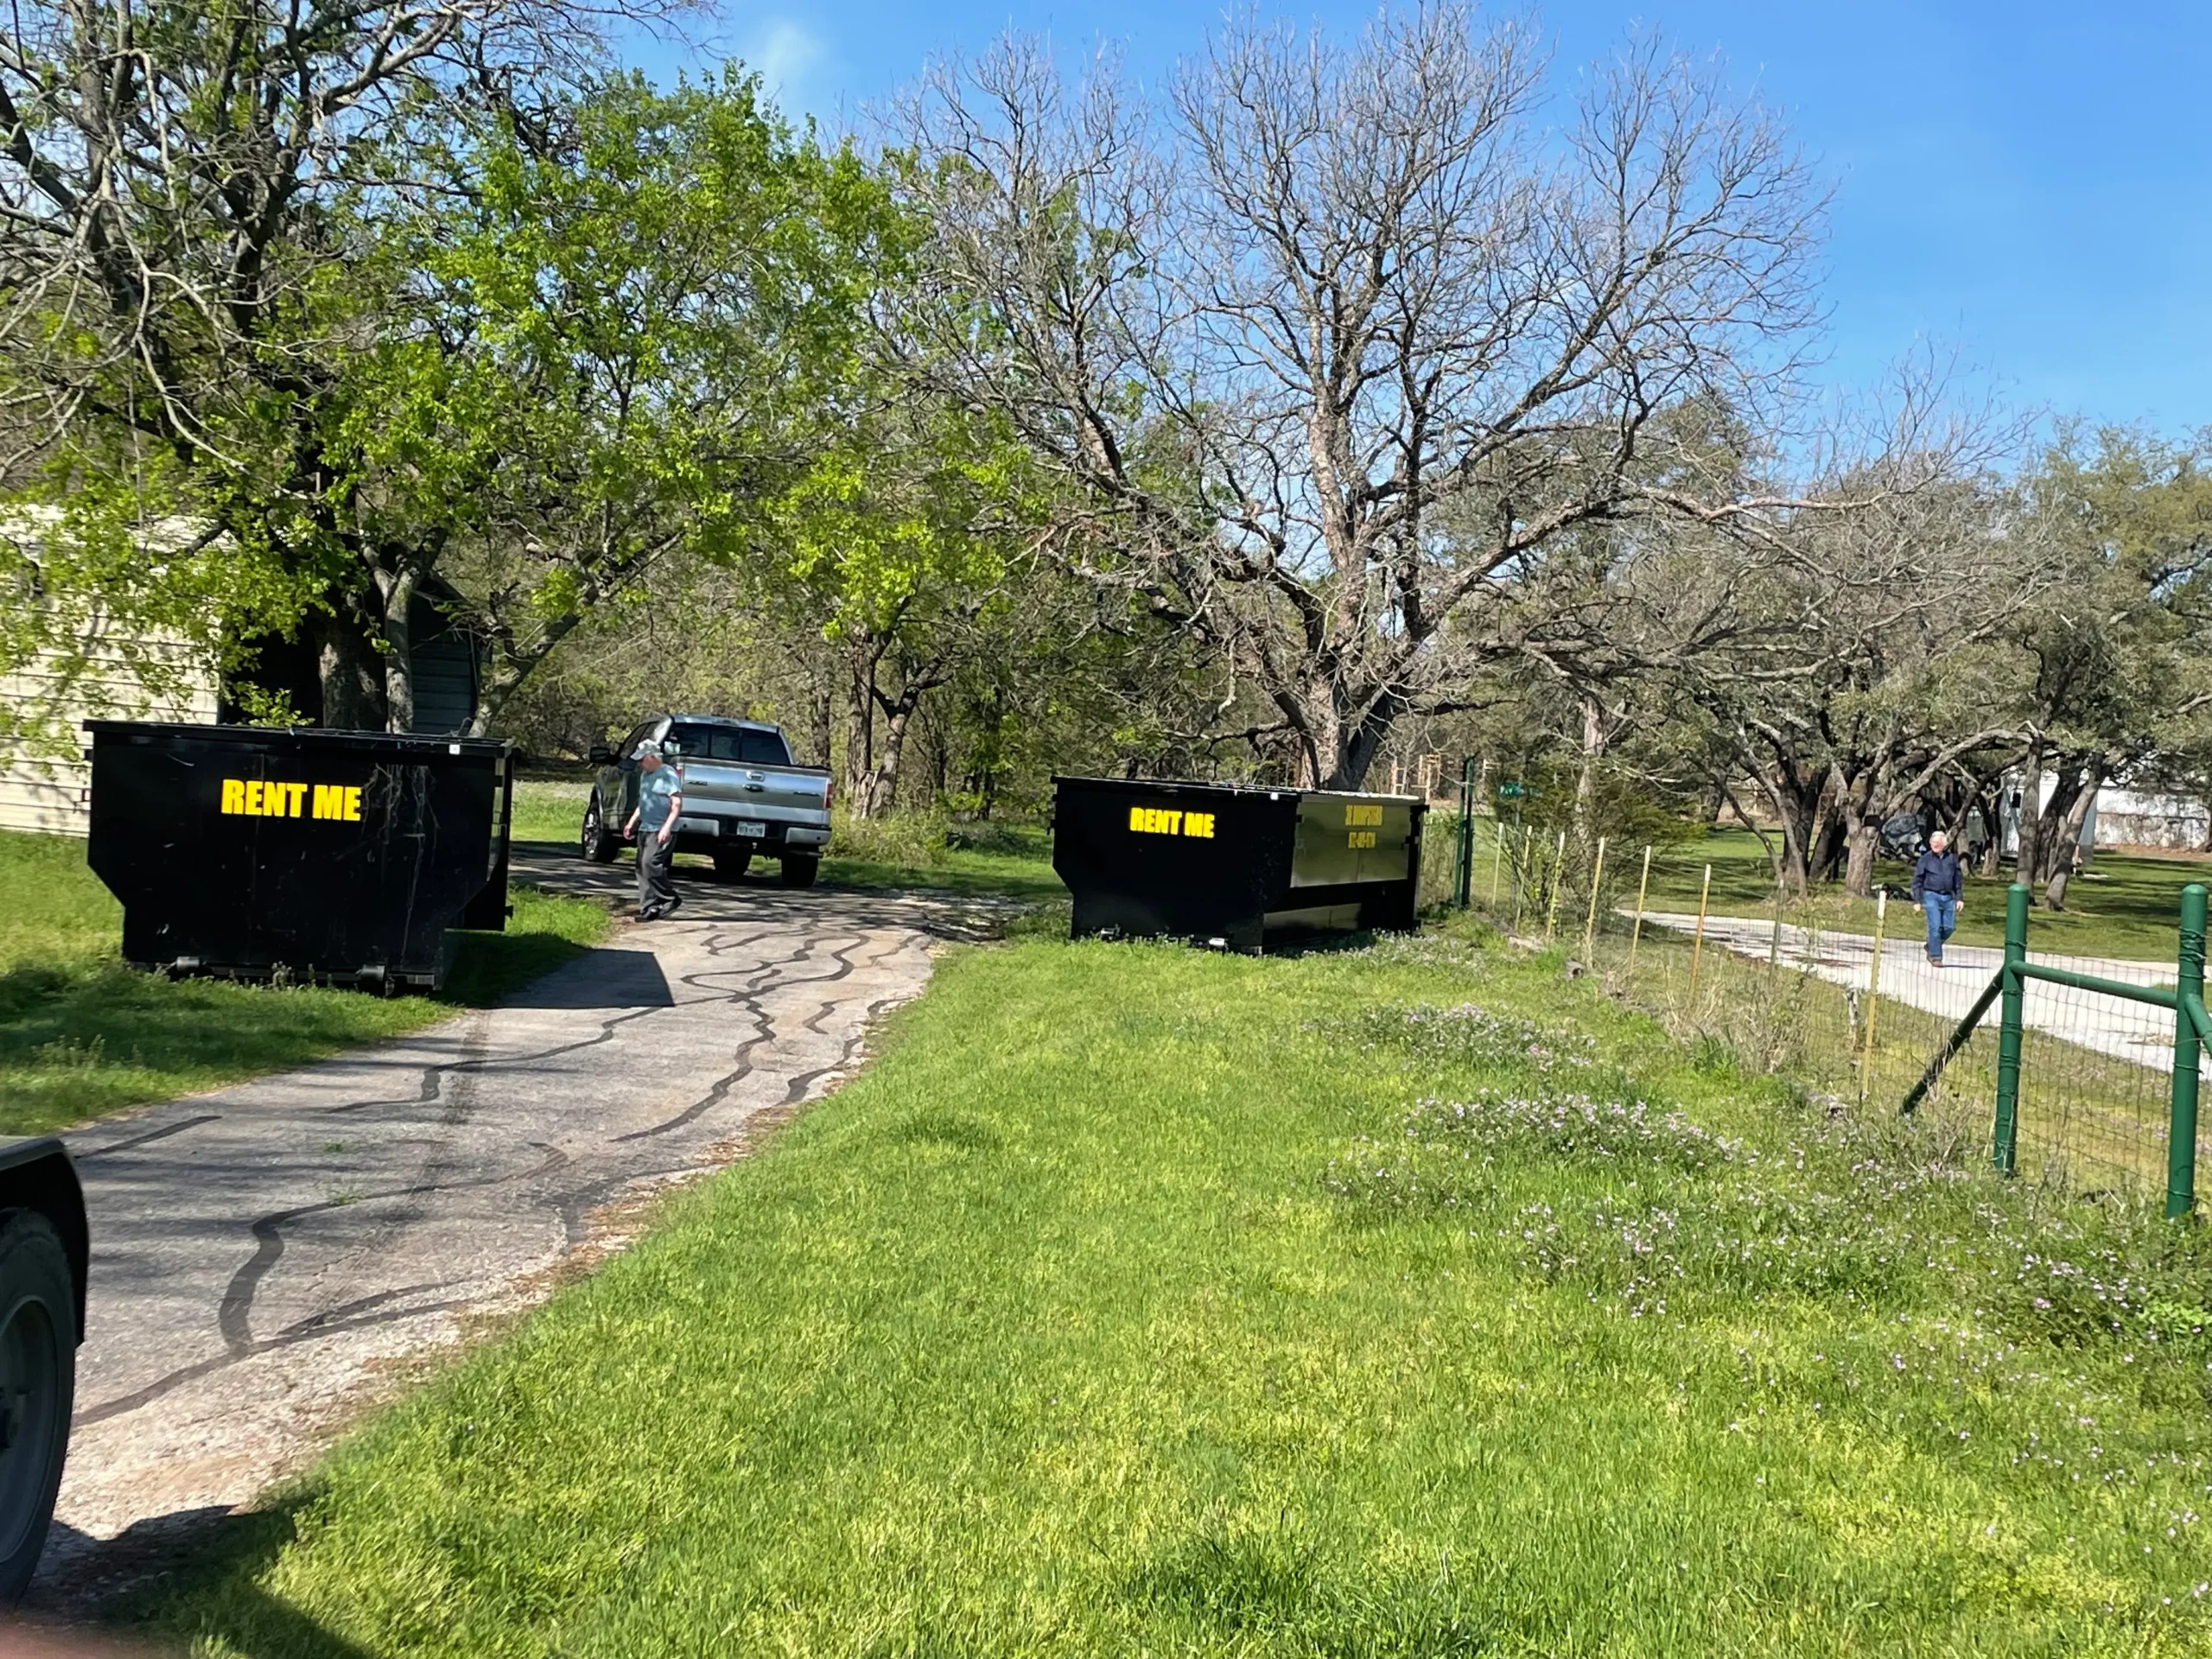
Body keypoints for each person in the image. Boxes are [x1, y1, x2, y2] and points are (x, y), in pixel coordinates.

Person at [621, 738, 683, 921]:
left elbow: (677, 804)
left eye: (642, 760)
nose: (640, 764)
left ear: (651, 757)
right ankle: (649, 907)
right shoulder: (645, 776)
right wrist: (631, 823)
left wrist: (667, 828)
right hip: (645, 828)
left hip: (661, 829)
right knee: (641, 868)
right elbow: (644, 802)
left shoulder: (667, 774)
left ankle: (670, 898)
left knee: (651, 864)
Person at [1910, 827, 1965, 967]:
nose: (1935, 845)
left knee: (1949, 927)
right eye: (1933, 842)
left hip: (1948, 897)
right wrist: (1917, 900)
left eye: (1938, 842)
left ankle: (1931, 945)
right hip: (1931, 896)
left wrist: (1959, 898)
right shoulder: (1925, 859)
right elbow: (1917, 880)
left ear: (1944, 844)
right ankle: (1936, 957)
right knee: (1935, 927)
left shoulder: (1952, 859)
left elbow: (1957, 880)